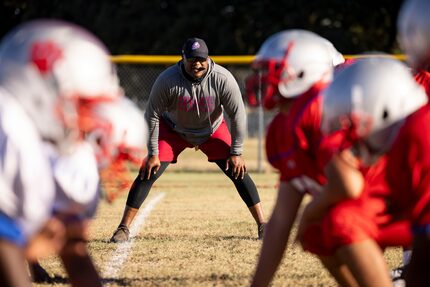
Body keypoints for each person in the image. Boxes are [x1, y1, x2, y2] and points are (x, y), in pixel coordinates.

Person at [0, 19, 140, 286]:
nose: (90, 121)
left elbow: (75, 254)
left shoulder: (70, 157)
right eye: (83, 104)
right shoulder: (10, 129)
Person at [110, 37, 266, 243]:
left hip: (211, 130)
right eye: (192, 59)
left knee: (238, 172)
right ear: (183, 58)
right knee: (148, 171)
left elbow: (237, 114)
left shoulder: (222, 78)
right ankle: (123, 228)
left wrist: (236, 152)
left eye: (201, 59)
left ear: (208, 58)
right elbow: (152, 114)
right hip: (174, 129)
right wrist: (153, 152)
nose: (198, 64)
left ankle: (263, 225)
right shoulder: (168, 79)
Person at [298, 57, 427, 287]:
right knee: (339, 220)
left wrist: (310, 210)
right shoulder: (399, 133)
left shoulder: (419, 133)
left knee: (344, 220)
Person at [249, 29, 345, 287]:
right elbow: (281, 219)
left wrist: (309, 212)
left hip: (413, 205)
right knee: (318, 231)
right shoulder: (283, 127)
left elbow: (350, 187)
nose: (265, 79)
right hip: (380, 209)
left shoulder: (324, 112)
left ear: (304, 73)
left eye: (275, 70)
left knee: (337, 221)